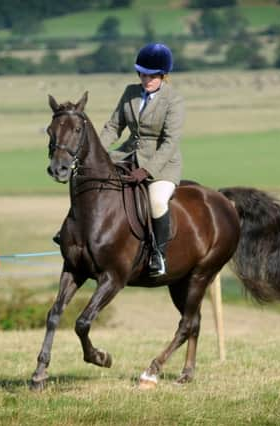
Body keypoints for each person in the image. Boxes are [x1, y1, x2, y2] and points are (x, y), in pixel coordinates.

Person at [100, 42, 185, 277]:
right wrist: (96, 152)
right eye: (143, 74)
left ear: (163, 75)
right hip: (128, 155)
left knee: (157, 202)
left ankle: (159, 255)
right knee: (96, 180)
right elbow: (113, 126)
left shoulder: (174, 100)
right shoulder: (130, 93)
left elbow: (170, 142)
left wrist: (147, 170)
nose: (147, 80)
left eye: (153, 76)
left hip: (162, 164)